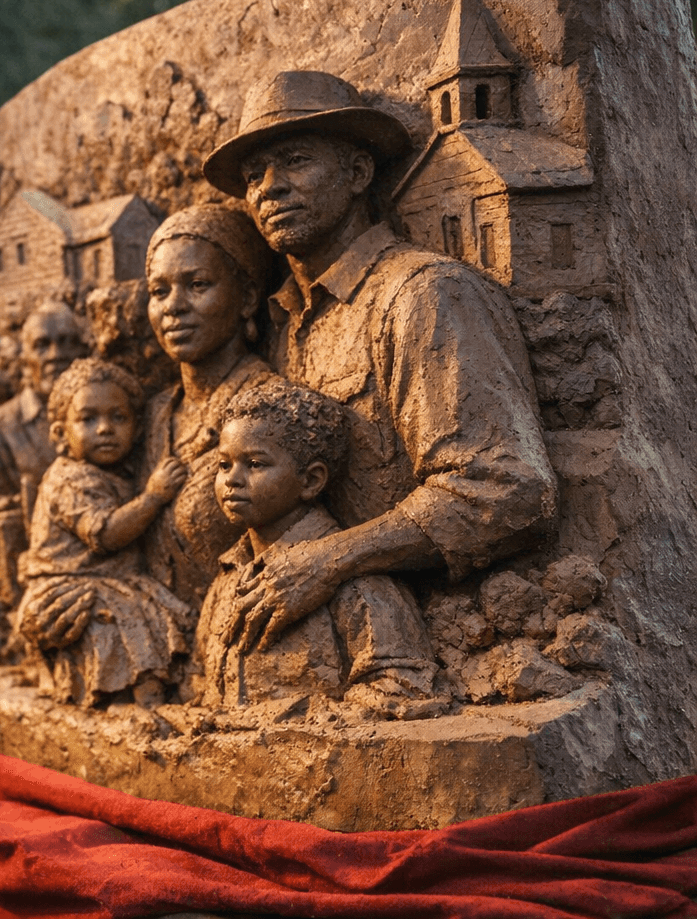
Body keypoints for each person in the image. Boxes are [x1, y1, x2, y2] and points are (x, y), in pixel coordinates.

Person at [201, 70, 555, 654]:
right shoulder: (283, 324)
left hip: (418, 640)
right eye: (253, 175)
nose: (269, 188)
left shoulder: (425, 295)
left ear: (359, 173)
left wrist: (330, 561)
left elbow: (505, 488)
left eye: (295, 161)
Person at [198, 382, 441, 717]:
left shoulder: (359, 586)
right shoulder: (226, 580)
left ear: (311, 480)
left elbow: (403, 691)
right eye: (224, 465)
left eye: (254, 464)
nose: (232, 479)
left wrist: (283, 721)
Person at [14, 359, 194, 708]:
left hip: (108, 581)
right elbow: (106, 534)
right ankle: (134, 695)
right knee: (119, 617)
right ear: (60, 434)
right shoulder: (69, 479)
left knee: (149, 607)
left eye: (119, 418)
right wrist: (154, 497)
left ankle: (156, 687)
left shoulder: (115, 472)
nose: (105, 429)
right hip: (67, 586)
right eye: (87, 419)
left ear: (137, 429)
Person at [140, 204, 279, 603]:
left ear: (247, 297)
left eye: (197, 285)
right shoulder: (156, 414)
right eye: (159, 291)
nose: (173, 306)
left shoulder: (266, 405)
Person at [0, 300, 88, 508]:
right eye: (41, 345)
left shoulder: (104, 417)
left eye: (67, 342)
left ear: (82, 351)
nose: (55, 355)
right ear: (24, 357)